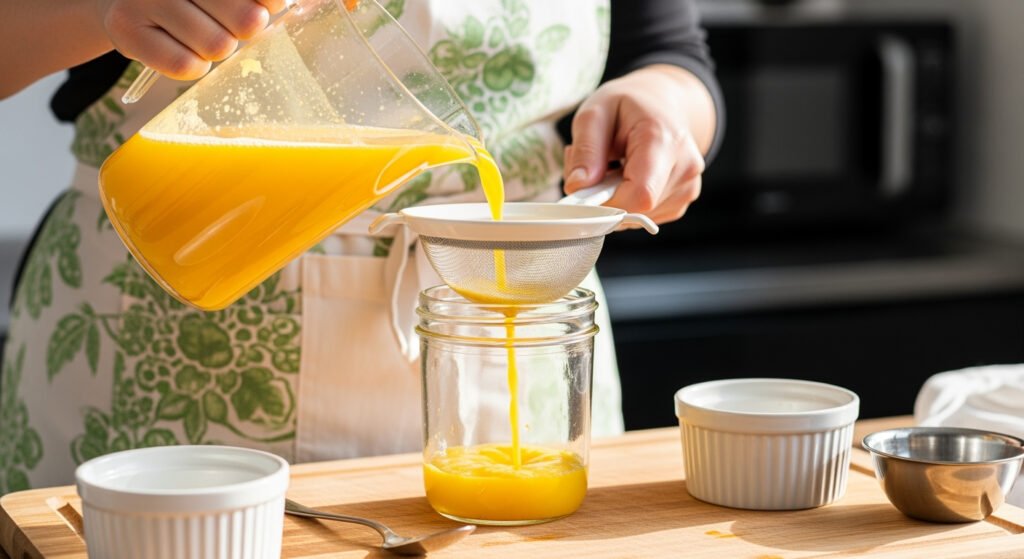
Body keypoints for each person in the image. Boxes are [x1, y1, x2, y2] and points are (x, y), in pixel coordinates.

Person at [0, 0, 723, 493]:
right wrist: (100, 9)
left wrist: (664, 104)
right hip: (152, 324)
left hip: (509, 324)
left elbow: (668, 52)